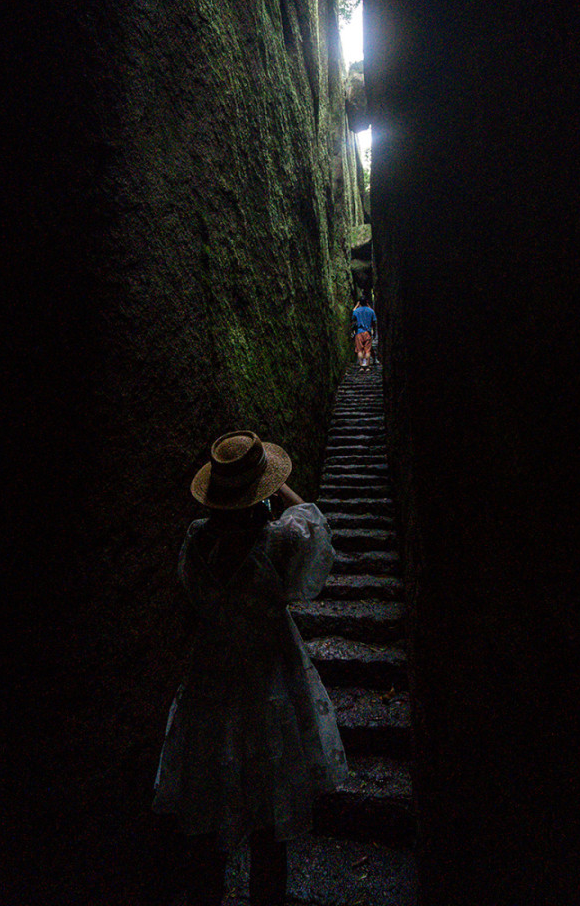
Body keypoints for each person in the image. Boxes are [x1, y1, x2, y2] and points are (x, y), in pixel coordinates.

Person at [153, 431, 347, 906]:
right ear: (257, 492)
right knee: (270, 818)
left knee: (209, 807)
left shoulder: (198, 542)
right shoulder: (278, 541)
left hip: (211, 681)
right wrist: (279, 488)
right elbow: (316, 526)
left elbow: (190, 597)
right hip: (270, 683)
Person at [351, 296, 377, 368]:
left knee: (359, 350)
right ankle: (367, 366)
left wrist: (356, 305)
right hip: (367, 332)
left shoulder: (356, 311)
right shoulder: (371, 311)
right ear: (367, 302)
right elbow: (374, 322)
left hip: (359, 332)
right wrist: (374, 332)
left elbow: (353, 317)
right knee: (367, 350)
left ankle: (361, 366)